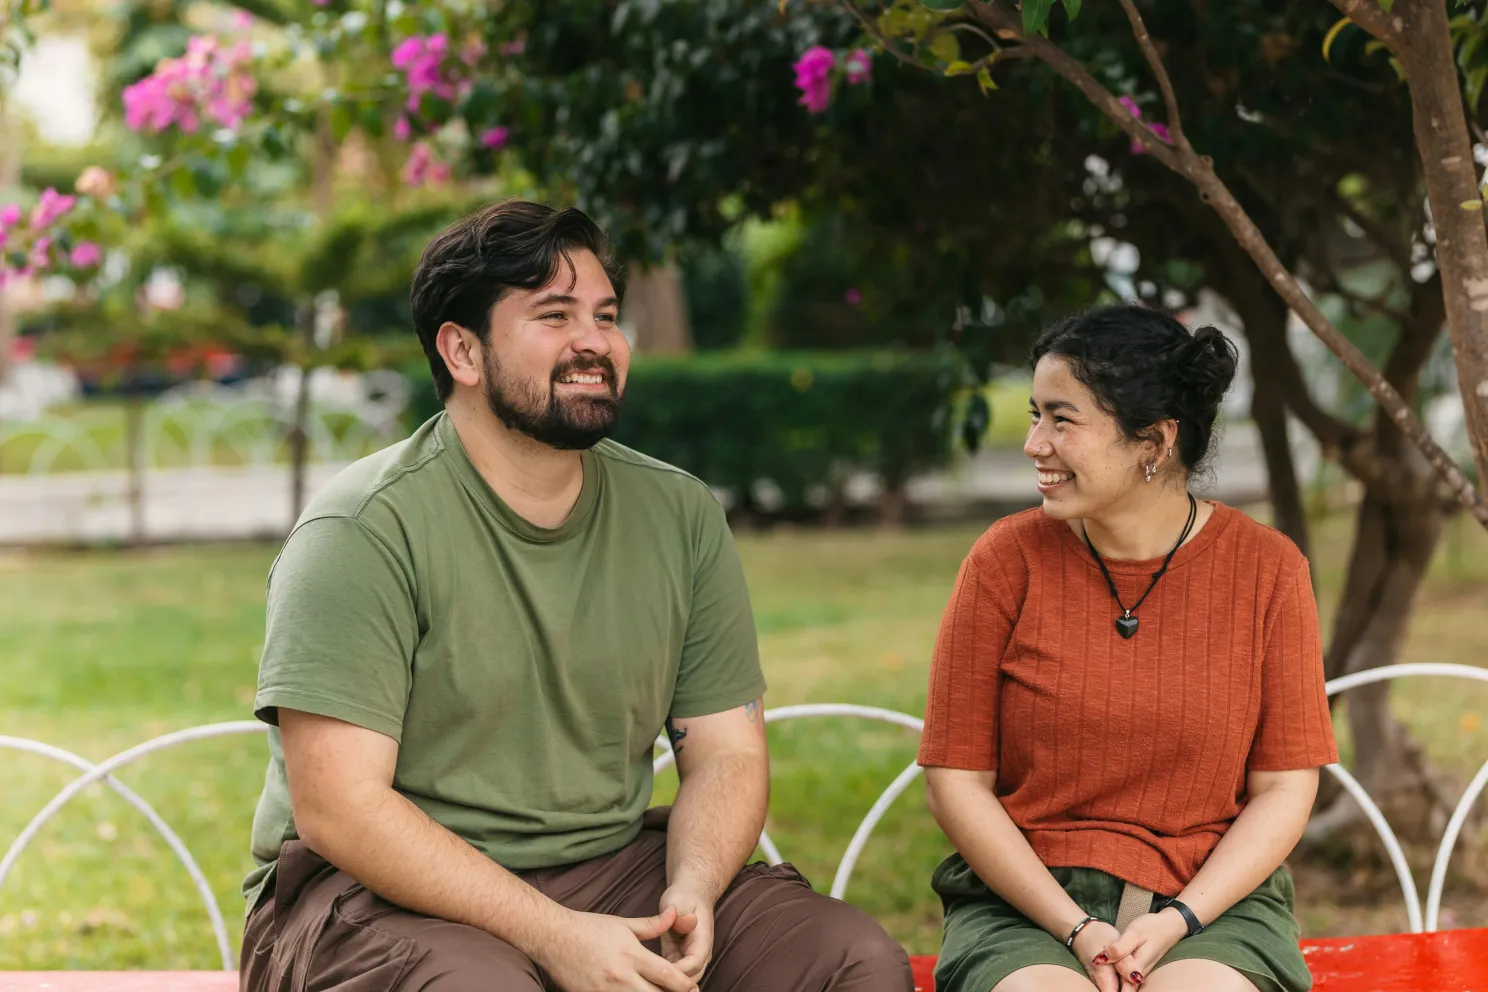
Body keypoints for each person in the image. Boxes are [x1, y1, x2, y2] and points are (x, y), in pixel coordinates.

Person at [239, 200, 912, 992]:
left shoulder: (678, 514)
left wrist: (691, 891)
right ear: (461, 349)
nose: (595, 342)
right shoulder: (362, 529)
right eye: (554, 316)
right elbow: (340, 810)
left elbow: (727, 754)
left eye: (605, 315)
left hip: (611, 870)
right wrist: (554, 935)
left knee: (849, 962)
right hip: (369, 899)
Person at [918, 304, 1337, 992]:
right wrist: (1077, 929)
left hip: (1212, 905)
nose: (1034, 444)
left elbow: (1286, 787)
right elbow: (955, 780)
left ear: (1154, 441)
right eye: (1034, 415)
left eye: (1062, 419)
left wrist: (1178, 919)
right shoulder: (1004, 561)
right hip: (1026, 902)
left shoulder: (1269, 570)